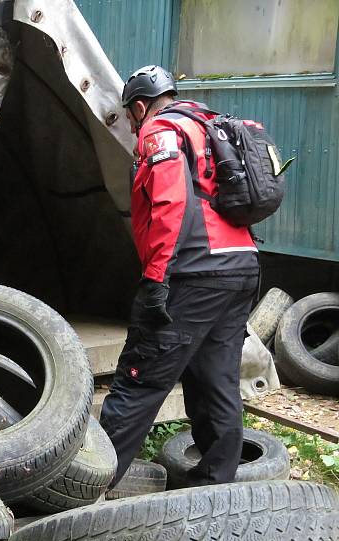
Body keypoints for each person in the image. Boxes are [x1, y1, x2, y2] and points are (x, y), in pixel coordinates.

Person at [99, 65, 260, 489]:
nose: (133, 125)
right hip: (242, 264)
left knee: (140, 379)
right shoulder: (209, 126)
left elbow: (171, 203)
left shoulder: (160, 130)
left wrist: (156, 279)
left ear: (138, 106)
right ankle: (214, 487)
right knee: (216, 383)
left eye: (130, 116)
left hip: (193, 270)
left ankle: (87, 488)